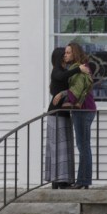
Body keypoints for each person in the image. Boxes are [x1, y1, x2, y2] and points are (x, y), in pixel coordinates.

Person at [53, 43, 96, 189]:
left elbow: (76, 91)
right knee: (84, 145)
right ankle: (83, 181)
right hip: (84, 111)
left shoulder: (79, 68)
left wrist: (64, 96)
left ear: (75, 54)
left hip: (84, 111)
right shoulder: (79, 67)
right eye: (65, 53)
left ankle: (83, 181)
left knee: (83, 146)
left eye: (68, 52)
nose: (65, 55)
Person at [44, 47, 88, 189]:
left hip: (63, 113)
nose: (66, 56)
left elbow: (72, 87)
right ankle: (59, 181)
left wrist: (63, 93)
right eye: (65, 54)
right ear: (60, 58)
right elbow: (62, 77)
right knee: (59, 147)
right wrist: (78, 69)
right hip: (55, 114)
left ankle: (61, 180)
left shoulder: (64, 71)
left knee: (64, 147)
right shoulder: (57, 71)